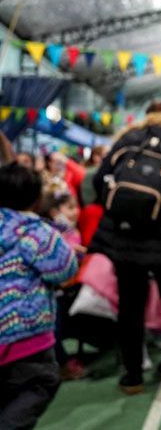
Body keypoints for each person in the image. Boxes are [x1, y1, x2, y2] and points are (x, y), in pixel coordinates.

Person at [91, 101, 161, 392]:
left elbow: (100, 178)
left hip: (128, 232)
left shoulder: (129, 137)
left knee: (130, 305)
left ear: (147, 114)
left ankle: (133, 375)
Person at [0, 163, 77, 429]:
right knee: (40, 385)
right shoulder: (35, 231)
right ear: (36, 199)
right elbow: (64, 268)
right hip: (27, 338)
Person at [38, 188, 88, 380]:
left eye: (76, 207)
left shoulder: (71, 231)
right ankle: (61, 363)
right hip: (55, 292)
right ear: (54, 212)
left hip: (67, 288)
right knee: (54, 329)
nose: (76, 211)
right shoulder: (50, 233)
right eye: (70, 208)